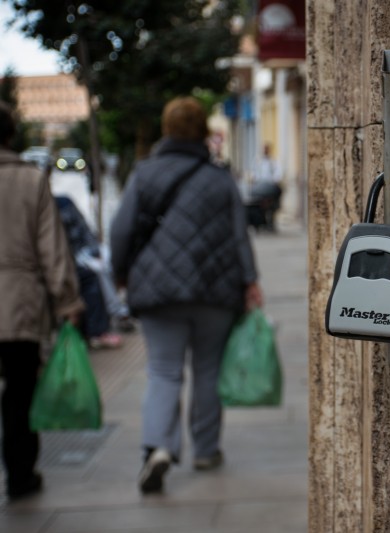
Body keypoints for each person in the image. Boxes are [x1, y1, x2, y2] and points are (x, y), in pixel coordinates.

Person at [110, 96, 262, 494]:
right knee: (207, 371)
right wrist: (250, 280)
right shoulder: (219, 178)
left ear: (166, 129)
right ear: (201, 133)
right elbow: (238, 235)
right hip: (216, 290)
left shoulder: (144, 174)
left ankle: (158, 448)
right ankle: (206, 450)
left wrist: (121, 274)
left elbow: (121, 231)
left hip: (159, 290)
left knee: (163, 370)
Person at [0, 102, 85, 500]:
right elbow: (51, 248)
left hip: (20, 296)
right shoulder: (30, 180)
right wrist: (67, 301)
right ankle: (20, 474)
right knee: (19, 391)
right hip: (20, 303)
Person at [55, 195, 128, 349]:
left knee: (98, 269)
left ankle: (108, 321)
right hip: (56, 263)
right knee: (90, 277)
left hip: (74, 257)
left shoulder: (63, 202)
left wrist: (94, 251)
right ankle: (100, 328)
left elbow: (84, 232)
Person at [245, 142, 283, 231]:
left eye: (266, 149)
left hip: (270, 188)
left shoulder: (273, 161)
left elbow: (278, 174)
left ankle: (271, 218)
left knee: (275, 200)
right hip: (259, 188)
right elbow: (253, 173)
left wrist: (273, 182)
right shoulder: (257, 161)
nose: (265, 150)